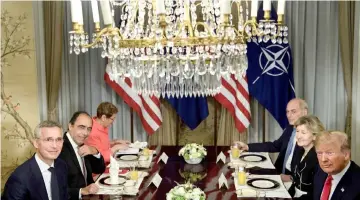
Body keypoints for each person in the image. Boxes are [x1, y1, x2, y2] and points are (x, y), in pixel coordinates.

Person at [235, 98, 308, 174]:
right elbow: (275, 146)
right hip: (278, 172)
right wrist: (247, 146)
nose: (289, 115)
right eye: (287, 112)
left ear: (304, 112)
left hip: (292, 180)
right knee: (244, 171)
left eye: (293, 111)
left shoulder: (309, 136)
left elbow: (307, 168)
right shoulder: (290, 129)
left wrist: (292, 179)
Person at [2, 121, 68, 200]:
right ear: (36, 143)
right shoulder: (20, 177)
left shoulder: (62, 165)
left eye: (58, 139)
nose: (55, 146)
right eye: (48, 140)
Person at [58, 111, 106, 200]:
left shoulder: (82, 144)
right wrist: (81, 191)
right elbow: (55, 190)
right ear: (70, 126)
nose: (85, 133)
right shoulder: (58, 149)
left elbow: (100, 169)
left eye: (89, 129)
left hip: (91, 196)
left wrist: (95, 151)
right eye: (81, 127)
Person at [313, 131, 360, 200]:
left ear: (346, 154)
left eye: (329, 153)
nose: (323, 159)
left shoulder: (357, 183)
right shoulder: (320, 171)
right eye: (319, 153)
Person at [288, 115, 325, 199]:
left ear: (315, 136)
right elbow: (295, 181)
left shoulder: (319, 158)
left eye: (303, 132)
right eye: (297, 131)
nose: (299, 136)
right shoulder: (299, 150)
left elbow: (316, 193)